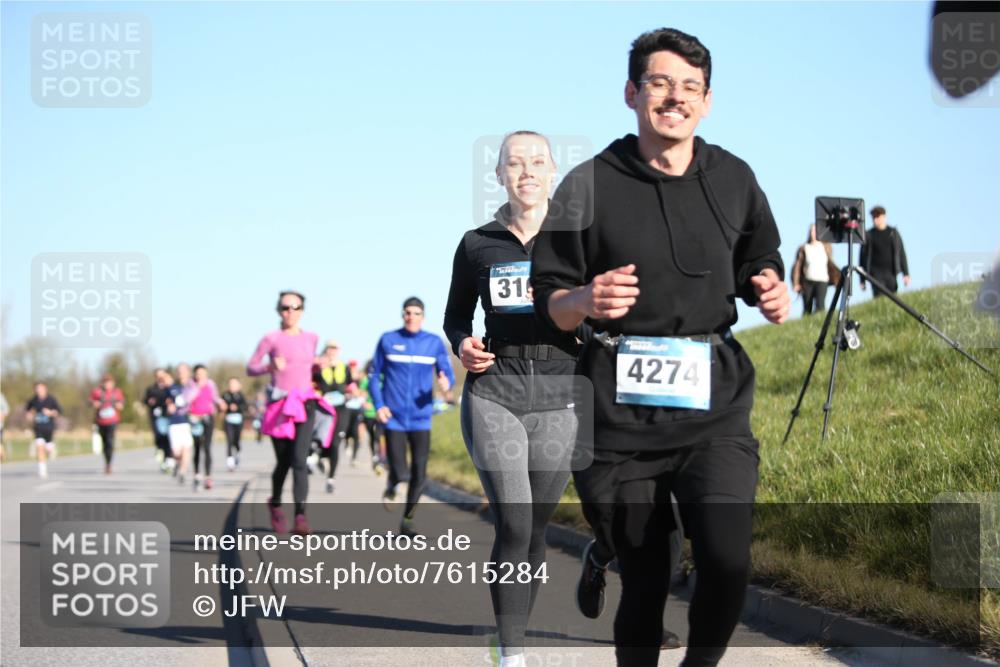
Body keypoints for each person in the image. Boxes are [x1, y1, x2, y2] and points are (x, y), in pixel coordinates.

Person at [530, 28, 790, 666]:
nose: (676, 97)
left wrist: (768, 283)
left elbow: (759, 254)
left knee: (727, 561)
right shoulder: (588, 184)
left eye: (690, 87)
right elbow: (549, 300)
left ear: (707, 101)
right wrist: (584, 298)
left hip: (713, 404)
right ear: (631, 93)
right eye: (660, 83)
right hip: (618, 417)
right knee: (647, 577)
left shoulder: (733, 177)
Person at [444, 131, 588, 666]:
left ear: (553, 172)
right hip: (495, 390)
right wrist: (463, 344)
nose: (526, 171)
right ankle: (512, 655)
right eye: (515, 163)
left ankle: (512, 633)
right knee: (515, 521)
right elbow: (456, 315)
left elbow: (601, 316)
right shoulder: (477, 242)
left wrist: (570, 313)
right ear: (499, 174)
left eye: (537, 162)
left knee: (536, 528)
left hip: (561, 392)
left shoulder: (578, 240)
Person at [248, 290, 334, 536]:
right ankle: (275, 503)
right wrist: (270, 366)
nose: (290, 312)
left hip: (305, 403)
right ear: (279, 311)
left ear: (302, 311)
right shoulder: (271, 338)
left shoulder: (312, 338)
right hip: (280, 406)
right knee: (284, 462)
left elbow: (305, 366)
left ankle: (300, 516)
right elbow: (251, 367)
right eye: (285, 308)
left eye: (295, 307)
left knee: (299, 460)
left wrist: (318, 364)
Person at [369, 296, 454, 536]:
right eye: (407, 312)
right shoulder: (388, 340)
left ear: (423, 317)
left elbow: (446, 373)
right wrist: (379, 405)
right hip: (393, 417)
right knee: (400, 470)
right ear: (402, 315)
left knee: (419, 472)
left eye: (416, 313)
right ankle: (393, 483)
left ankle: (408, 520)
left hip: (421, 417)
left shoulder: (433, 342)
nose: (411, 317)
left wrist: (446, 383)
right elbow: (374, 376)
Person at [311, 340, 355, 492]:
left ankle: (331, 478)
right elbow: (310, 385)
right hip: (323, 409)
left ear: (339, 351)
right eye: (330, 348)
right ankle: (321, 458)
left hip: (341, 409)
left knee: (336, 443)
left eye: (335, 349)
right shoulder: (318, 368)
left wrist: (352, 394)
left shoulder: (344, 367)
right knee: (323, 441)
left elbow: (351, 386)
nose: (332, 351)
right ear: (325, 350)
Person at [860, 205, 910, 297]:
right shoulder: (869, 235)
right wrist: (862, 279)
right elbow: (862, 258)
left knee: (893, 297)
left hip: (891, 273)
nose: (875, 220)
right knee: (879, 296)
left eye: (877, 217)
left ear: (884, 217)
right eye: (873, 217)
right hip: (875, 274)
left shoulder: (893, 233)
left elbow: (901, 254)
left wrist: (906, 274)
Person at [791, 223, 841, 315]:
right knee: (807, 307)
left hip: (822, 280)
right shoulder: (804, 248)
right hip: (807, 280)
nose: (812, 233)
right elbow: (797, 267)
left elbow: (831, 264)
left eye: (814, 231)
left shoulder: (826, 247)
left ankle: (821, 321)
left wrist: (837, 279)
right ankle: (807, 322)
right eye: (811, 231)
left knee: (820, 305)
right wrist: (796, 283)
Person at [189, 364, 223, 490]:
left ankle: (208, 476)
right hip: (194, 419)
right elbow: (187, 399)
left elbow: (215, 397)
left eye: (203, 373)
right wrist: (197, 387)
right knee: (197, 447)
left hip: (208, 417)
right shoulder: (191, 384)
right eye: (198, 374)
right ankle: (197, 474)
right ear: (195, 374)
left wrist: (221, 402)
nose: (201, 376)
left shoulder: (211, 384)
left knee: (207, 447)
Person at [163, 368, 194, 484]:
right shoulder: (171, 388)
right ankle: (178, 463)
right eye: (180, 373)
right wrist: (168, 406)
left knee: (186, 448)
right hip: (173, 423)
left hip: (186, 422)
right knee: (176, 452)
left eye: (184, 372)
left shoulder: (192, 387)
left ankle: (182, 472)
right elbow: (165, 401)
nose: (182, 375)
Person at [89, 374, 125, 474]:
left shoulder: (117, 392)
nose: (107, 384)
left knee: (110, 441)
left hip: (113, 421)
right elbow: (90, 401)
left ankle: (109, 464)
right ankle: (107, 461)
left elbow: (122, 404)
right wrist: (94, 404)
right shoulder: (97, 392)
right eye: (105, 382)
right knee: (104, 442)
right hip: (101, 421)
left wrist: (119, 405)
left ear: (113, 383)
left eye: (109, 382)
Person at [25, 382, 61, 479]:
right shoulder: (33, 400)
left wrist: (50, 413)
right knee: (40, 447)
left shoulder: (51, 399)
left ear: (45, 389)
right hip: (38, 428)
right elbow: (28, 410)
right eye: (37, 389)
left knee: (48, 448)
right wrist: (29, 415)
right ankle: (42, 469)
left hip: (49, 427)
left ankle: (50, 447)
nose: (39, 390)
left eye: (41, 388)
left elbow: (58, 411)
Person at [359, 359, 387, 475]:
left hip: (382, 413)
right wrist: (364, 402)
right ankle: (374, 455)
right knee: (372, 436)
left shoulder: (385, 378)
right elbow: (361, 393)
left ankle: (382, 458)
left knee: (379, 436)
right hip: (369, 413)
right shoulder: (367, 380)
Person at [144, 369, 173, 471]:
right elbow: (145, 400)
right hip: (156, 418)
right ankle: (161, 455)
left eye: (162, 375)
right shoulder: (151, 389)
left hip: (168, 417)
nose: (160, 378)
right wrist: (149, 401)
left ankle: (168, 460)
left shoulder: (169, 388)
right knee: (159, 438)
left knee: (168, 439)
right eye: (158, 376)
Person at [221, 377, 248, 471]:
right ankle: (230, 462)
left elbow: (245, 407)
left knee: (236, 441)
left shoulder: (241, 395)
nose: (232, 386)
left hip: (238, 421)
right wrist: (226, 407)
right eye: (230, 384)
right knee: (229, 440)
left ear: (238, 385)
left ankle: (237, 454)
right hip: (228, 421)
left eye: (234, 384)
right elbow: (220, 406)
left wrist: (237, 407)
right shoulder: (225, 395)